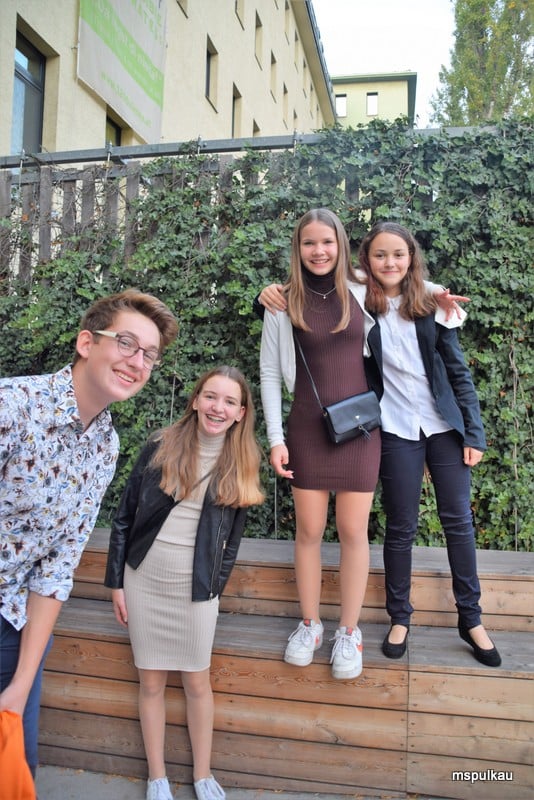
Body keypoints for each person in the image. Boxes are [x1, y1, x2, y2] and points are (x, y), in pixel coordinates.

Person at [257, 210, 469, 681]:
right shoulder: (281, 302)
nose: (319, 251)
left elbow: (402, 280)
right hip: (306, 429)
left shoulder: (360, 289)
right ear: (298, 248)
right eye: (309, 243)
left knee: (354, 532)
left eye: (327, 242)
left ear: (341, 244)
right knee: (309, 532)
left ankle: (348, 632)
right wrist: (275, 438)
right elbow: (269, 373)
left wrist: (438, 294)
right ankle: (310, 625)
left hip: (360, 430)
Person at [0, 289, 179, 786]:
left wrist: (22, 684)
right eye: (126, 343)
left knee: (16, 772)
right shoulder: (12, 407)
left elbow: (57, 568)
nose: (137, 362)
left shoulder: (105, 447)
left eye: (149, 354)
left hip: (14, 624)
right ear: (86, 343)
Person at [104, 365, 264, 800]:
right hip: (144, 580)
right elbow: (124, 517)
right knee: (151, 682)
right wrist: (116, 582)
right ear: (195, 400)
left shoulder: (242, 463)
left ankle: (202, 774)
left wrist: (213, 590)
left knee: (196, 683)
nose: (217, 407)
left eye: (229, 401)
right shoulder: (161, 445)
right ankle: (157, 777)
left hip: (195, 590)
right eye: (210, 396)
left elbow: (231, 543)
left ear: (240, 413)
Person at [357, 221, 500, 667]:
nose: (390, 262)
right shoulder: (361, 308)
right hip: (396, 428)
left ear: (411, 258)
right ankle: (400, 617)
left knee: (458, 522)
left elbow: (459, 374)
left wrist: (474, 432)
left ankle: (471, 618)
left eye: (398, 254)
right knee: (400, 527)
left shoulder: (432, 306)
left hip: (443, 428)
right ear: (367, 261)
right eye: (380, 254)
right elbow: (331, 275)